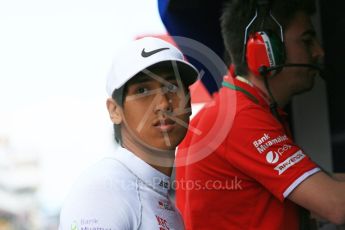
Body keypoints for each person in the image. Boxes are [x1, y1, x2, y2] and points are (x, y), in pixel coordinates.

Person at [175, 0, 345, 229]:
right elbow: (336, 205)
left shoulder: (232, 108)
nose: (318, 51)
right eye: (307, 40)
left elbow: (321, 183)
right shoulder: (241, 118)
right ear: (266, 51)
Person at [59, 37, 199, 230]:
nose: (163, 104)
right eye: (142, 90)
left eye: (172, 87)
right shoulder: (103, 190)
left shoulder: (165, 205)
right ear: (114, 110)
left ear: (189, 101)